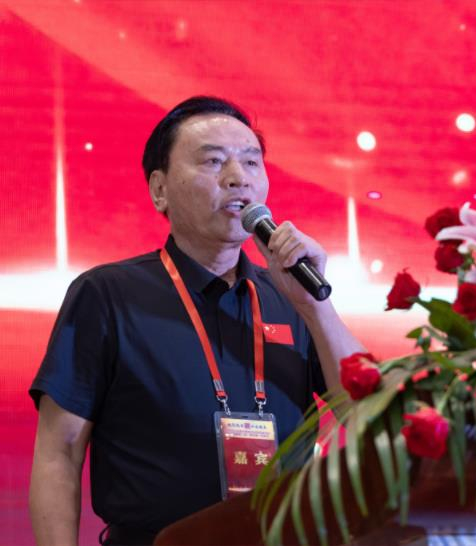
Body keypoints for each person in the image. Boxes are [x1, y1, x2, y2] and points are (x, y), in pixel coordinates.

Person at [29, 96, 365, 546]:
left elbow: (366, 412)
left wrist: (315, 307)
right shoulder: (107, 294)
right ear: (160, 190)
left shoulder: (291, 297)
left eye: (251, 162)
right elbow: (59, 452)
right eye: (214, 161)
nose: (238, 177)